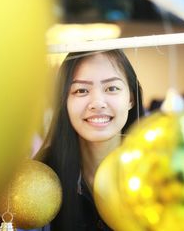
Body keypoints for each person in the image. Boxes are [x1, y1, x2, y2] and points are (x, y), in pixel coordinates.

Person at [35, 49, 145, 231]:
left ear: (131, 98)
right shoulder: (41, 179)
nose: (97, 102)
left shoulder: (156, 171)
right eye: (81, 90)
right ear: (64, 101)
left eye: (111, 88)